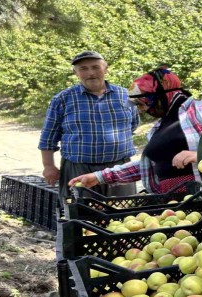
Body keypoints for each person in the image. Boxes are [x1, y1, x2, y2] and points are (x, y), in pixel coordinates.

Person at [68, 67, 202, 194]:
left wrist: (201, 156)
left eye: (142, 104)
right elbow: (146, 167)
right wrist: (99, 177)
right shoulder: (157, 128)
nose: (141, 110)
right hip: (173, 206)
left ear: (160, 96)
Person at [38, 51, 139, 204]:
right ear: (76, 73)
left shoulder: (126, 96)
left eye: (95, 67)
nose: (90, 73)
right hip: (78, 169)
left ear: (105, 69)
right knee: (81, 218)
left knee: (124, 214)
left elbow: (132, 125)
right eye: (83, 69)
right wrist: (49, 166)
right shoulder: (63, 99)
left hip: (120, 169)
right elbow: (48, 138)